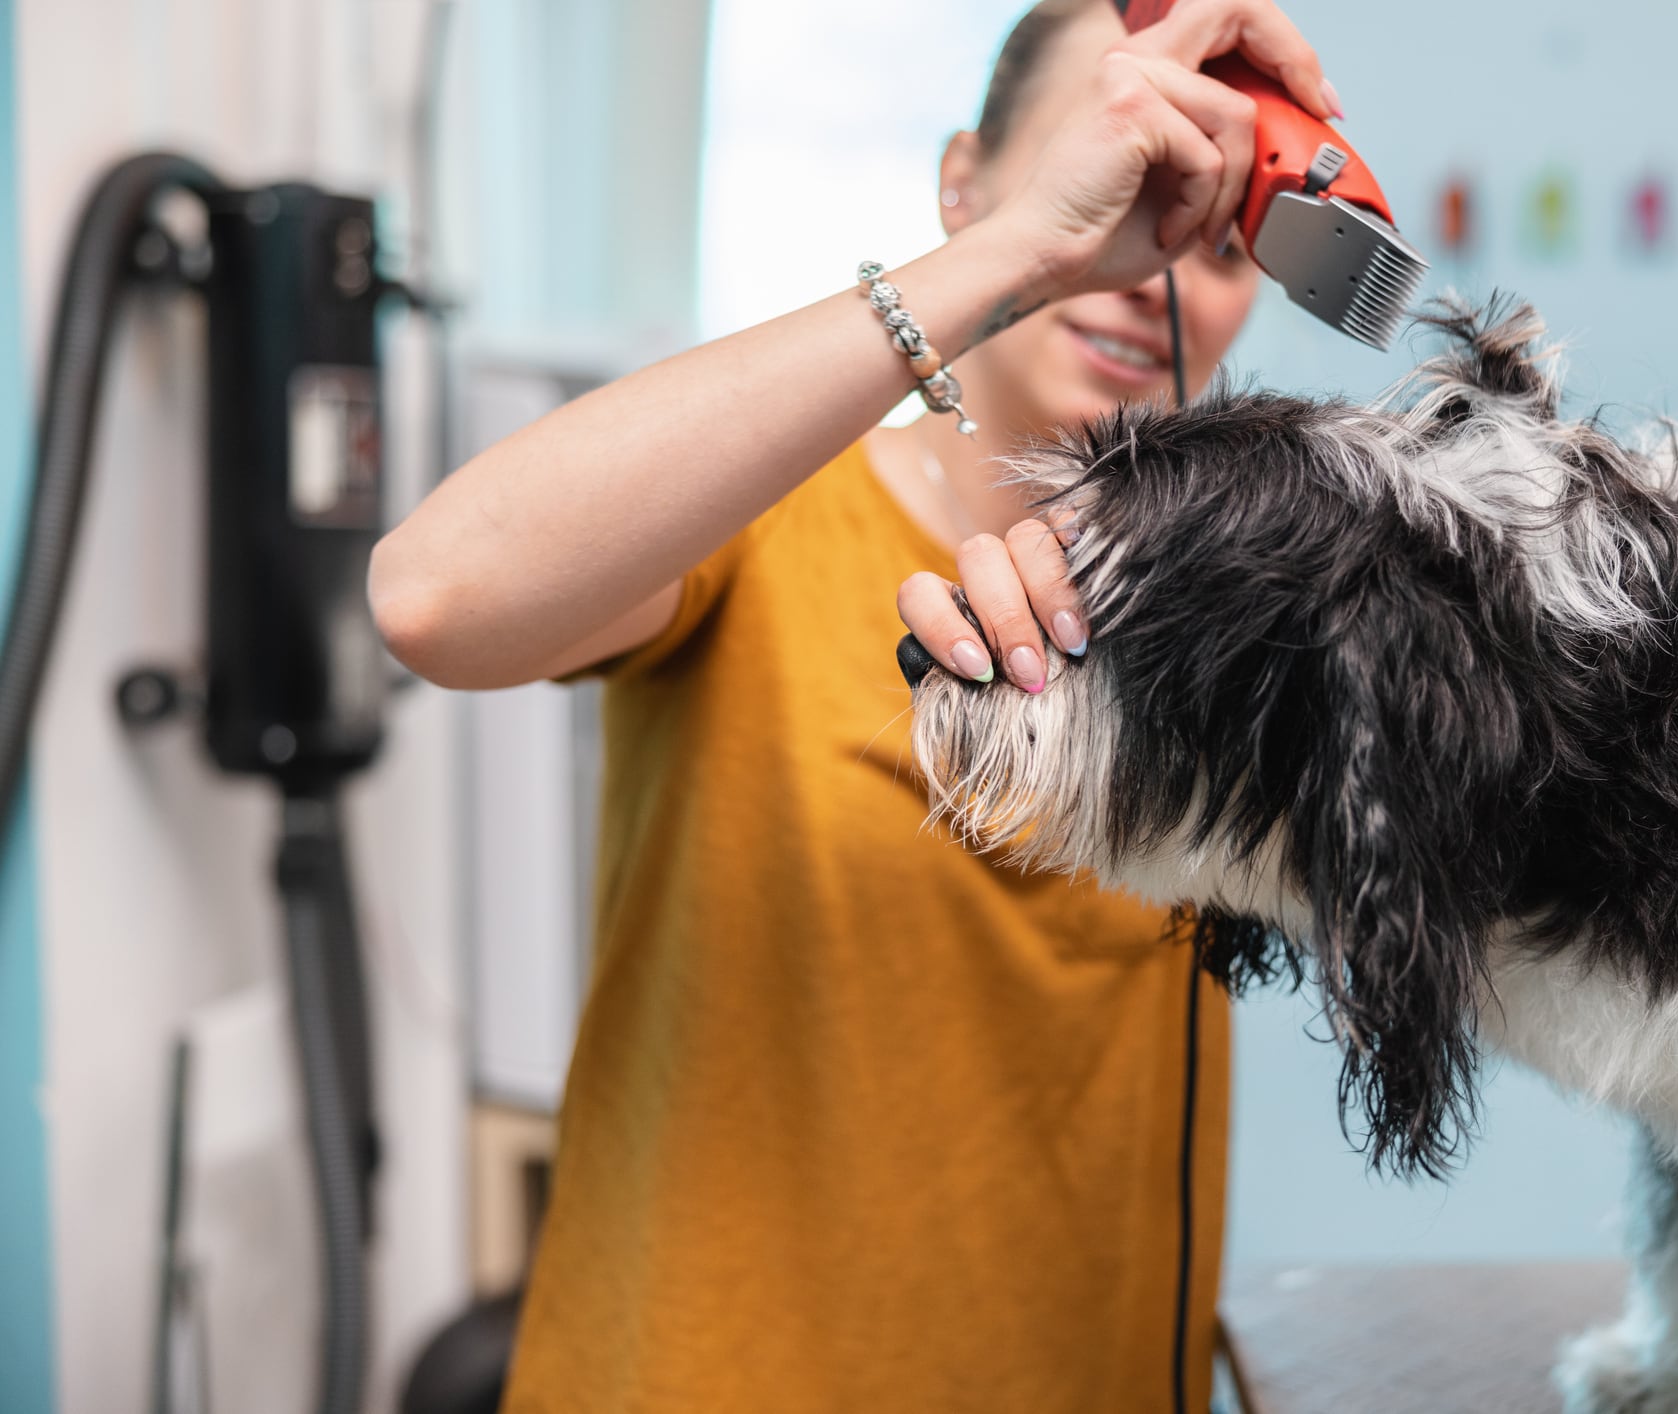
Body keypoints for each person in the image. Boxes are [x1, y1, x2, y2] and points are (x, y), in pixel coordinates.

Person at [370, 0, 1339, 1407]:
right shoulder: (769, 513)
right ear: (968, 180)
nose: (1159, 270)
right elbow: (433, 596)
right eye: (1122, 180)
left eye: (1224, 236)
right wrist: (1011, 260)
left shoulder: (1230, 633)